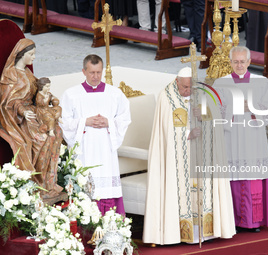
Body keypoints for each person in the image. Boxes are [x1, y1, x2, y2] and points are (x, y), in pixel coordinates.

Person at [143, 66, 235, 245]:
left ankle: (207, 232)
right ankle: (176, 234)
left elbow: (217, 122)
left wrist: (202, 116)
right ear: (177, 81)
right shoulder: (166, 97)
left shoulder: (202, 93)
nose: (188, 91)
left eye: (190, 87)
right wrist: (186, 134)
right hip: (176, 160)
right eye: (185, 87)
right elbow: (165, 131)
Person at [214, 46, 268, 232]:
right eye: (235, 61)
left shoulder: (262, 82)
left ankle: (253, 221)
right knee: (234, 178)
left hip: (253, 137)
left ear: (249, 62)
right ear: (230, 62)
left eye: (243, 61)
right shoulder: (220, 83)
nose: (239, 65)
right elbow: (215, 110)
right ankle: (233, 220)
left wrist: (251, 106)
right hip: (232, 136)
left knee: (253, 177)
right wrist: (233, 109)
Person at [60, 54, 131, 215]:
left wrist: (109, 123)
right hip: (85, 149)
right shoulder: (71, 94)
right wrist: (85, 122)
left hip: (106, 149)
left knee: (107, 184)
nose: (96, 76)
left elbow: (125, 118)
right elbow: (64, 122)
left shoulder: (115, 94)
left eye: (99, 72)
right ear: (84, 71)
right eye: (92, 72)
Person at [0, 38, 64, 202]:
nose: (34, 57)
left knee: (57, 133)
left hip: (35, 112)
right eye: (31, 54)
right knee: (42, 138)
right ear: (21, 55)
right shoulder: (10, 75)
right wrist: (22, 111)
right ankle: (38, 182)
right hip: (21, 118)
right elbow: (7, 102)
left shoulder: (28, 73)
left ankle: (50, 182)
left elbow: (39, 92)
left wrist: (50, 100)